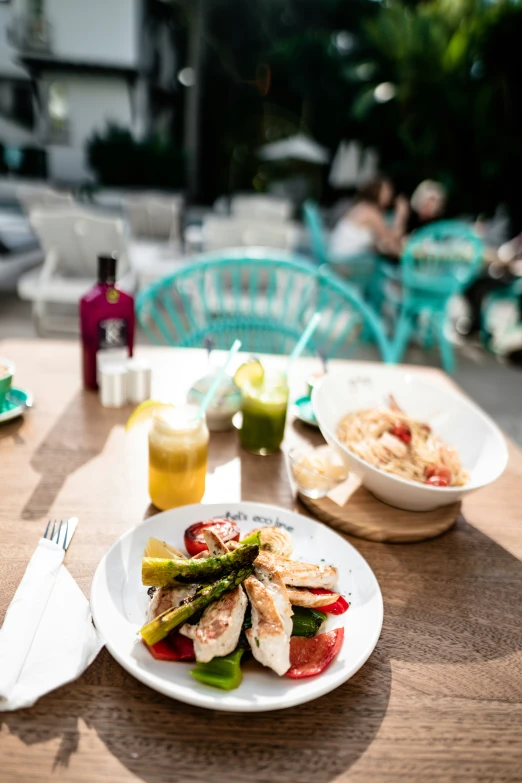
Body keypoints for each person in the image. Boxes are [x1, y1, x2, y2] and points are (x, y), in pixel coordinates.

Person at [329, 176, 409, 260]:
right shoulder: (370, 213)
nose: (390, 194)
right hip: (344, 262)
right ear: (376, 192)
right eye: (386, 191)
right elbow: (391, 240)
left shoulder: (362, 207)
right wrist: (401, 216)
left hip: (339, 257)